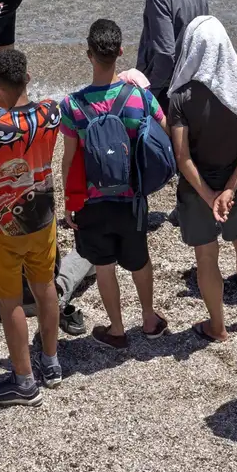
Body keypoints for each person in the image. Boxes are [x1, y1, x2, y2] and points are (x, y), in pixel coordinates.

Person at [60, 20, 169, 349]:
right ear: (121, 51)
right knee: (139, 261)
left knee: (104, 266)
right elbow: (162, 129)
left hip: (92, 203)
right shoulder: (138, 96)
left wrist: (69, 202)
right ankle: (149, 319)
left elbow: (68, 160)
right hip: (131, 199)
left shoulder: (72, 106)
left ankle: (117, 329)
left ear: (89, 54)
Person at [166, 15, 237, 341]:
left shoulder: (181, 97)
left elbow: (183, 157)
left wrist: (210, 195)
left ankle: (218, 326)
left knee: (206, 258)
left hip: (197, 189)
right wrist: (229, 189)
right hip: (235, 182)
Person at [0, 49, 65, 405]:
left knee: (9, 299)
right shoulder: (51, 112)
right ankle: (52, 363)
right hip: (43, 213)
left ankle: (24, 380)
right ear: (27, 78)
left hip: (3, 223)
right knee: (45, 287)